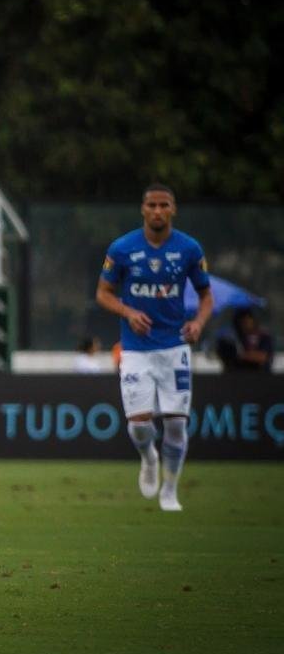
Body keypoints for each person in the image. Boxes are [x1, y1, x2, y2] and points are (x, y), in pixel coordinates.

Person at [96, 183, 212, 512]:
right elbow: (103, 293)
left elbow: (206, 296)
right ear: (143, 209)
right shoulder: (122, 248)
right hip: (135, 348)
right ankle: (148, 457)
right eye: (152, 205)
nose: (158, 211)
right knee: (139, 424)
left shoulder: (189, 249)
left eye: (164, 205)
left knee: (176, 423)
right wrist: (129, 312)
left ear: (173, 209)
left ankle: (170, 491)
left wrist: (199, 323)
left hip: (174, 346)